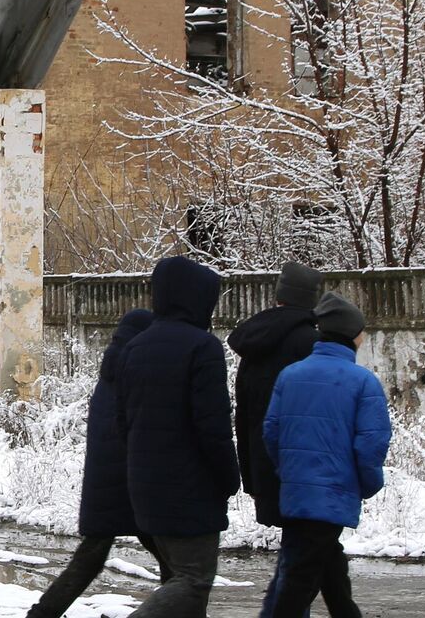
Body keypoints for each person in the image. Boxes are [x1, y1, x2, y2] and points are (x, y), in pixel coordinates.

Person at [116, 254, 239, 618]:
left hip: (144, 490)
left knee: (179, 588)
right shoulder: (203, 348)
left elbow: (122, 423)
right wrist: (229, 478)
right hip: (190, 492)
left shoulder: (135, 347)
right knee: (193, 581)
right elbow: (213, 426)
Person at [25, 309, 165, 618]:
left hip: (106, 485)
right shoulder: (136, 375)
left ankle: (42, 614)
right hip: (128, 483)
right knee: (178, 566)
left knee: (92, 559)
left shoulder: (111, 373)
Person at [261, 293, 391, 618]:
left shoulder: (289, 375)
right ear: (351, 335)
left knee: (326, 564)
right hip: (333, 490)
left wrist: (290, 471)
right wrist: (368, 484)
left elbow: (271, 432)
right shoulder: (363, 381)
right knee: (300, 581)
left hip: (296, 489)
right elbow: (371, 444)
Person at [227, 261, 323, 614]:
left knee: (309, 557)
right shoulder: (311, 344)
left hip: (264, 465)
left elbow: (245, 412)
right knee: (306, 559)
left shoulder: (254, 343)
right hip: (304, 469)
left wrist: (250, 474)